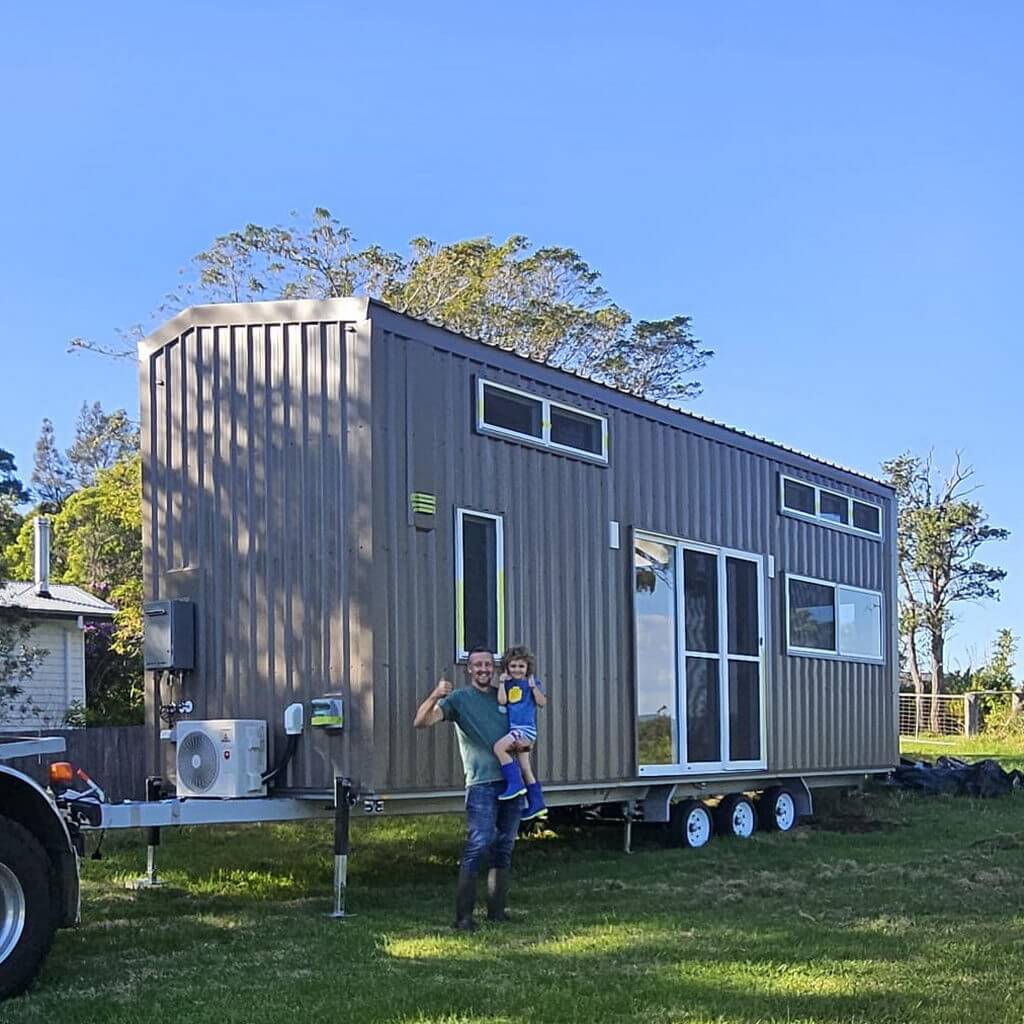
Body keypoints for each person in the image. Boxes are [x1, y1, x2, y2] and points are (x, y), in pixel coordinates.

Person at [412, 648, 523, 930]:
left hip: (513, 782)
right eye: (477, 665)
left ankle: (497, 912)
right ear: (469, 670)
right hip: (482, 784)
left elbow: (525, 727)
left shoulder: (506, 697)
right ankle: (463, 918)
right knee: (478, 844)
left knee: (504, 847)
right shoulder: (459, 699)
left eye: (488, 664)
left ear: (494, 668)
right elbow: (421, 722)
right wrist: (436, 695)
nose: (484, 669)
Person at [494, 644, 548, 821]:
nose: (517, 670)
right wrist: (502, 682)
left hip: (524, 730)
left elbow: (542, 702)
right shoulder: (508, 684)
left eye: (521, 666)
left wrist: (533, 687)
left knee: (499, 748)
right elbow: (502, 701)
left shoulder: (532, 683)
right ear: (507, 667)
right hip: (516, 729)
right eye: (513, 666)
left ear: (528, 668)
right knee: (526, 768)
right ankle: (537, 803)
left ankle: (515, 783)